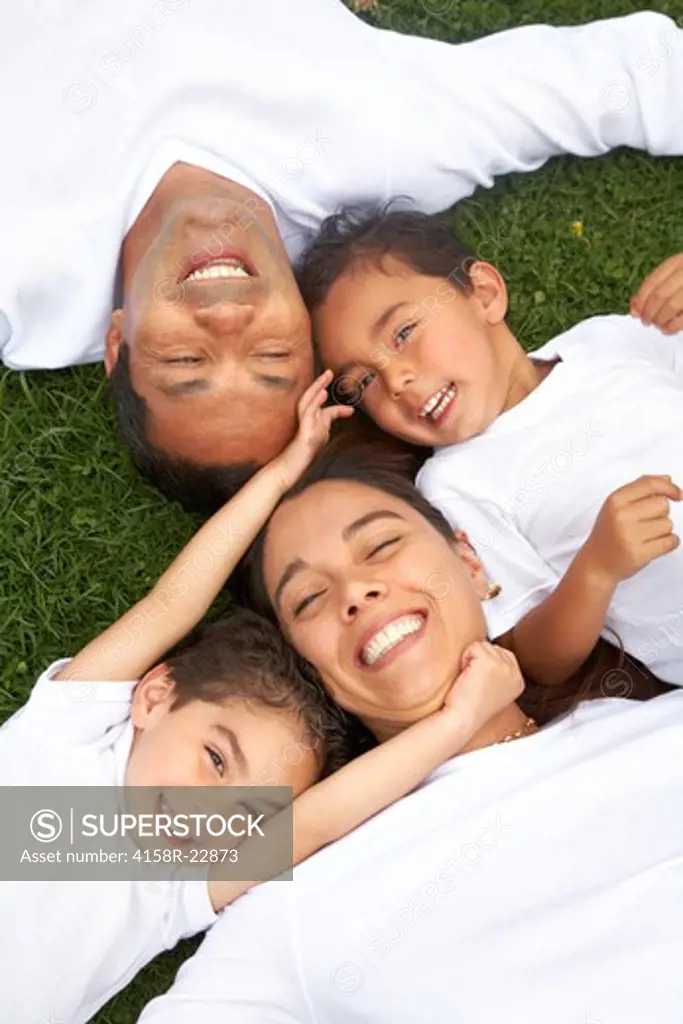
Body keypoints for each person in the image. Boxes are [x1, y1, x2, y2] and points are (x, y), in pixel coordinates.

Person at [2, 2, 683, 509]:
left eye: (186, 360)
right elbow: (638, 78)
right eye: (272, 357)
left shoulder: (23, 282)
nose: (228, 320)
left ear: (117, 340)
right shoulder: (387, 144)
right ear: (307, 326)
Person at [0, 374, 528, 1024]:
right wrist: (280, 475)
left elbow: (315, 822)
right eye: (215, 762)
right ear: (155, 696)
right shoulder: (65, 731)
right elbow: (173, 602)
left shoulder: (176, 890)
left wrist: (457, 722)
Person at [136, 454, 683, 1024]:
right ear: (311, 670)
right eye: (308, 600)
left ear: (468, 561)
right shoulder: (302, 911)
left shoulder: (659, 730)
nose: (356, 592)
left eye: (379, 547)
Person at [297, 207, 683, 687]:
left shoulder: (605, 339)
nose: (396, 380)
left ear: (484, 293)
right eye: (365, 381)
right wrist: (597, 568)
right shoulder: (455, 487)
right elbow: (537, 659)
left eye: (403, 333)